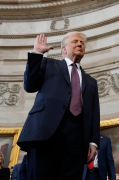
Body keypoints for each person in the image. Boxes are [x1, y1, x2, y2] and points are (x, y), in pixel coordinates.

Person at [17, 32, 100, 180]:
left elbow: (94, 114)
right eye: (75, 41)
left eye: (82, 43)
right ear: (64, 49)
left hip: (77, 138)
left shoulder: (91, 81)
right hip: (45, 132)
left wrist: (93, 141)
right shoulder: (48, 63)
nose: (80, 44)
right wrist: (37, 53)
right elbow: (29, 85)